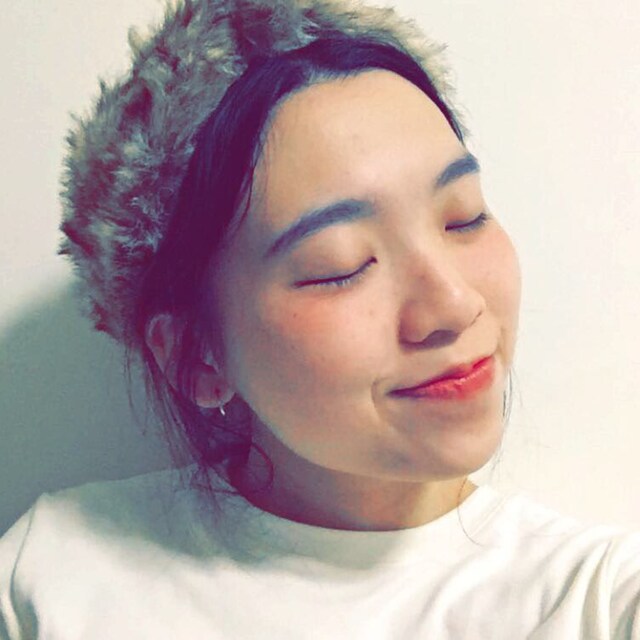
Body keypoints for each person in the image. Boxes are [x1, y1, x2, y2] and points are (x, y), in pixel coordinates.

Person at [1, 0, 639, 637]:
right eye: (341, 266)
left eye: (463, 217)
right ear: (197, 356)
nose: (453, 304)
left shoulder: (597, 602)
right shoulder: (56, 577)